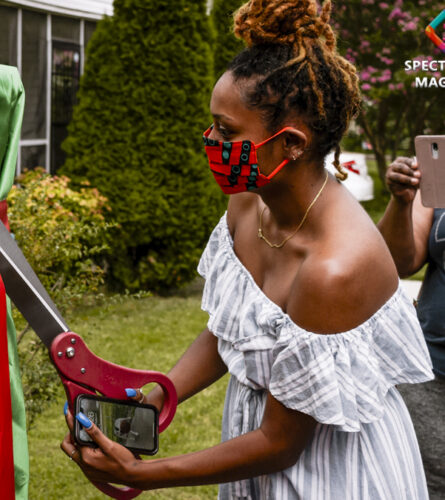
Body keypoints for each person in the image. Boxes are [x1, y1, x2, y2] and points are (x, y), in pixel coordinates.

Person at [59, 0, 434, 497]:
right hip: (254, 448)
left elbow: (282, 442)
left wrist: (140, 475)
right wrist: (151, 404)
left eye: (227, 131)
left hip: (331, 472)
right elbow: (232, 331)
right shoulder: (246, 203)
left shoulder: (334, 268)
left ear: (293, 143)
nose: (209, 139)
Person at [377, 156, 445, 497]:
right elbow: (400, 262)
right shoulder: (441, 169)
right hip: (431, 373)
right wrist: (401, 201)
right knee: (425, 484)